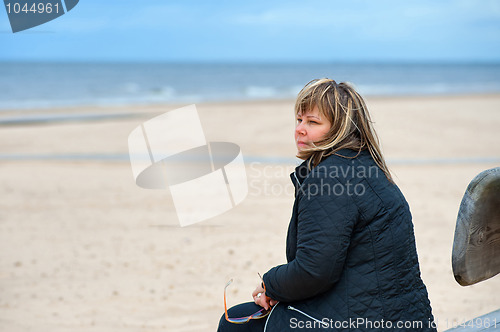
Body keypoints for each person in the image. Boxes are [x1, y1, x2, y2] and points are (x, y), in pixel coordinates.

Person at [217, 78, 436, 331]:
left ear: (340, 129)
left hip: (365, 322)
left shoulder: (329, 177)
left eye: (313, 122)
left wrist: (270, 284)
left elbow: (314, 272)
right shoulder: (369, 167)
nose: (300, 129)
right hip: (406, 319)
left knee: (234, 322)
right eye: (299, 120)